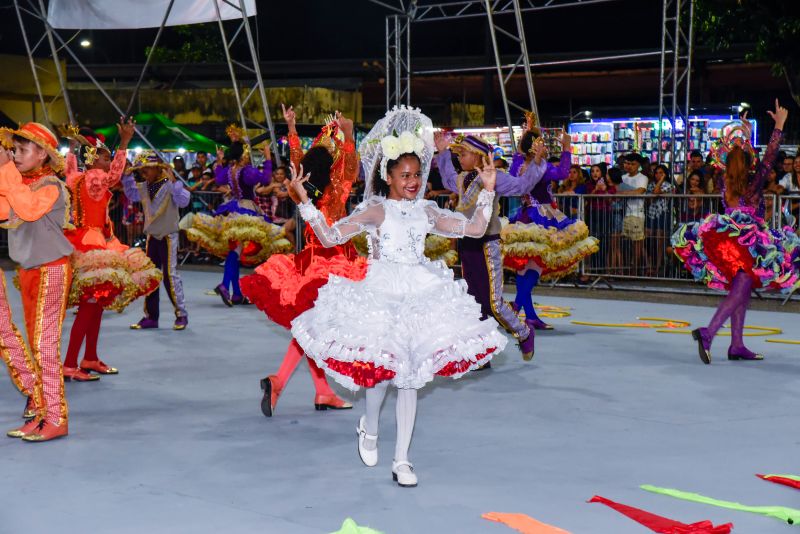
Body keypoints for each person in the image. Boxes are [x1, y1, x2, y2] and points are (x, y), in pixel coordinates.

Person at [288, 106, 508, 487]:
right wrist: (304, 203)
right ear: (388, 176)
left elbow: (473, 229)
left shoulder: (427, 211)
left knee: (410, 377)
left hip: (420, 291)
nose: (412, 180)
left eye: (416, 174)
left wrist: (487, 192)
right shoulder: (375, 209)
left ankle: (402, 459)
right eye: (404, 175)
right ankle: (369, 427)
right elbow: (329, 237)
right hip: (381, 291)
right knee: (381, 374)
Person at [240, 105, 364, 417]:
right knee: (315, 330)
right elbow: (351, 166)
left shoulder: (300, 187)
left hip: (308, 260)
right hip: (334, 262)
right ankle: (282, 381)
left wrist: (293, 129)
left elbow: (298, 162)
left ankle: (320, 391)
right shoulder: (335, 190)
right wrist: (348, 134)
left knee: (311, 329)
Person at [673, 100, 800, 364]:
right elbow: (769, 156)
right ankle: (709, 332)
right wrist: (778, 126)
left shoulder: (723, 180)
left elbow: (745, 159)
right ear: (749, 164)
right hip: (749, 240)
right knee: (741, 288)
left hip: (727, 238)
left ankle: (737, 345)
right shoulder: (754, 182)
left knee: (741, 288)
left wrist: (743, 134)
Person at [62, 119, 162, 381]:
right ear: (94, 160)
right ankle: (71, 363)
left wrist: (72, 147)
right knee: (90, 305)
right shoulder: (95, 177)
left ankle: (90, 357)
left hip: (92, 240)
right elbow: (116, 175)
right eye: (105, 157)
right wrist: (125, 142)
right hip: (92, 244)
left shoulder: (75, 176)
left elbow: (69, 167)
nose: (108, 163)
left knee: (96, 303)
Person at [434, 131, 546, 361]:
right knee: (473, 300)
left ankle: (524, 333)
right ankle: (480, 352)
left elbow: (522, 186)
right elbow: (446, 178)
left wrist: (536, 163)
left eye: (463, 154)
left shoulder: (496, 175)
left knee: (493, 302)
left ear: (477, 155)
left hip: (487, 243)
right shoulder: (463, 177)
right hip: (467, 244)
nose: (460, 158)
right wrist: (443, 152)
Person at [0, 122, 74, 442]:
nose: (16, 155)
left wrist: (7, 170)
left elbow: (28, 211)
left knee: (45, 347)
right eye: (14, 149)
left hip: (52, 269)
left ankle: (56, 417)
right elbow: (5, 208)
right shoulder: (24, 183)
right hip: (30, 271)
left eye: (22, 149)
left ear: (42, 153)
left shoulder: (51, 185)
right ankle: (42, 413)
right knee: (36, 345)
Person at [502, 127, 598, 331]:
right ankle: (515, 310)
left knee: (524, 268)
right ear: (536, 147)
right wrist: (566, 147)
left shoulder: (518, 163)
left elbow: (519, 159)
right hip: (542, 217)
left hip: (524, 216)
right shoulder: (541, 167)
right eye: (542, 144)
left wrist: (528, 134)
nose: (545, 147)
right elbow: (563, 172)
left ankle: (528, 316)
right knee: (535, 267)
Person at [186, 125, 287, 306]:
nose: (248, 156)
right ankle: (225, 285)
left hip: (233, 209)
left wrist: (219, 161)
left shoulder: (230, 170)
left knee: (235, 251)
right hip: (246, 210)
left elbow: (218, 179)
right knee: (236, 251)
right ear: (243, 155)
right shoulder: (246, 171)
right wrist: (268, 157)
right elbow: (265, 179)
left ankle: (237, 294)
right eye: (247, 153)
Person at [124, 152, 191, 330]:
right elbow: (131, 193)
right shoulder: (144, 187)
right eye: (141, 169)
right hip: (152, 237)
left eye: (146, 169)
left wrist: (175, 183)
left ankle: (181, 314)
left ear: (156, 168)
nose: (143, 172)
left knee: (170, 276)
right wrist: (127, 175)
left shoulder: (169, 184)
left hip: (169, 236)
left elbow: (184, 201)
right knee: (150, 277)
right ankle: (151, 317)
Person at [619, 153, 648, 274]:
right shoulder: (623, 177)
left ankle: (635, 268)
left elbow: (640, 191)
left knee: (637, 244)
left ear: (638, 165)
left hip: (637, 214)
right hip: (623, 214)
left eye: (633, 164)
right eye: (628, 163)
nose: (630, 166)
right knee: (627, 244)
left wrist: (621, 193)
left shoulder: (642, 178)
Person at [645, 164, 674, 276]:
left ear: (665, 174)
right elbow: (651, 197)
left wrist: (662, 180)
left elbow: (656, 192)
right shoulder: (651, 185)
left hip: (662, 214)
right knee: (648, 239)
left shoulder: (668, 185)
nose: (658, 175)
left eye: (661, 173)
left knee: (660, 242)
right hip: (651, 214)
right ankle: (649, 264)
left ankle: (657, 267)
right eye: (657, 173)